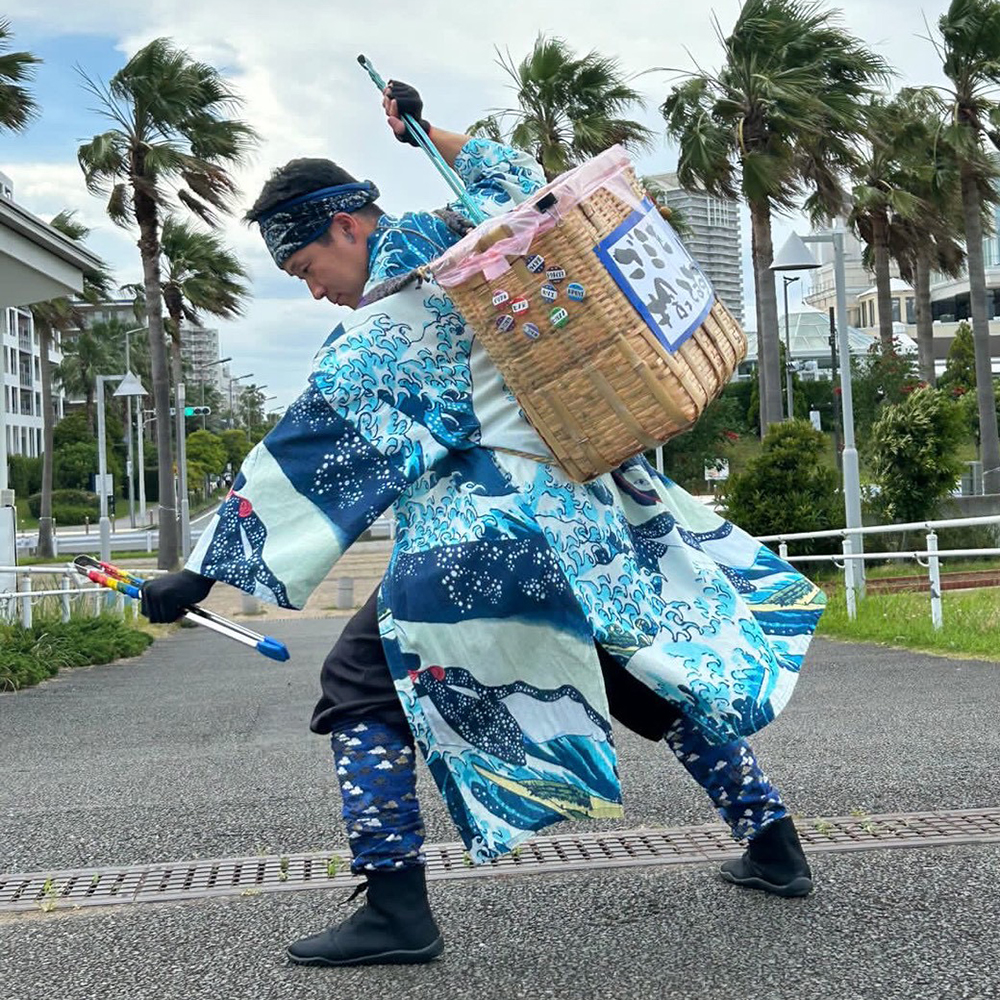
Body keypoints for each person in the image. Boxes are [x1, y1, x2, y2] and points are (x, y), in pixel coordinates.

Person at [142, 81, 825, 968]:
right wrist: (428, 131)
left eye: (308, 267)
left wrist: (199, 573)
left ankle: (394, 905)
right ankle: (773, 842)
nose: (314, 291)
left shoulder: (394, 320)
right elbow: (517, 173)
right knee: (639, 673)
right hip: (587, 520)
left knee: (358, 680)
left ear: (349, 228)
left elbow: (314, 451)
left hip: (491, 536)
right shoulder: (479, 239)